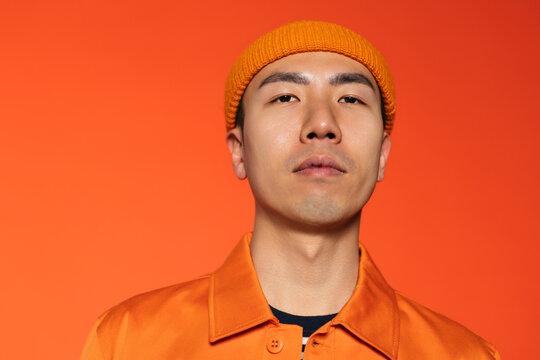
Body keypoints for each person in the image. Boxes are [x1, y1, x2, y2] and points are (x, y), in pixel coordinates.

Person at [80, 20, 500, 360]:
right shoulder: (128, 341)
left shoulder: (464, 355)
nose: (322, 123)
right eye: (285, 97)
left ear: (383, 154)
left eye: (351, 99)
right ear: (239, 150)